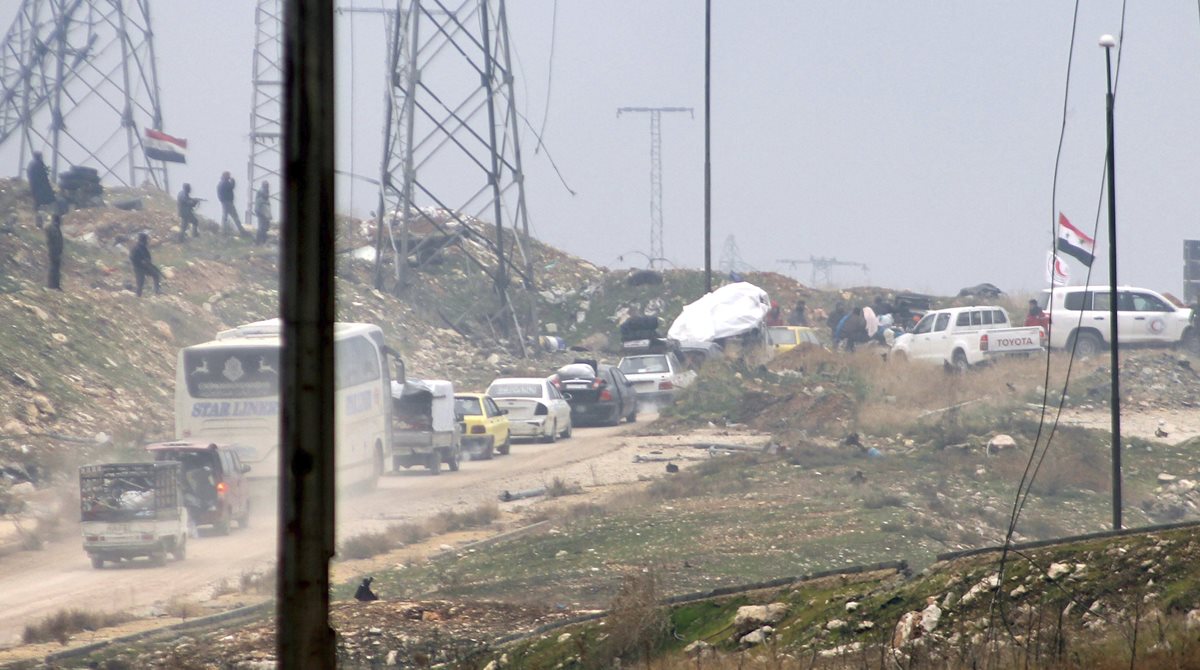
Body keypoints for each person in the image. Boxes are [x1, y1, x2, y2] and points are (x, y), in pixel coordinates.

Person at [130, 232, 163, 296]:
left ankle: (157, 291)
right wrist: (141, 262)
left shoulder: (144, 248)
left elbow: (148, 257)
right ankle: (138, 296)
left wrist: (148, 263)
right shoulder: (136, 248)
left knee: (156, 274)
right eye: (146, 240)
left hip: (146, 267)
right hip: (138, 268)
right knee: (140, 284)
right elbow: (132, 258)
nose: (147, 242)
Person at [216, 171, 247, 237]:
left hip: (224, 202)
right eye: (228, 175)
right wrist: (233, 181)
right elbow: (231, 187)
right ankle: (241, 231)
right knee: (234, 216)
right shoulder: (225, 183)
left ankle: (223, 230)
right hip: (228, 202)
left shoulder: (220, 183)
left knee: (225, 217)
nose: (229, 176)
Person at [26, 152, 55, 219]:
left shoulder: (31, 164)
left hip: (33, 185)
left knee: (37, 199)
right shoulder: (38, 164)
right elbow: (43, 176)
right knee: (44, 199)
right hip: (40, 185)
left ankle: (36, 213)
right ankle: (42, 214)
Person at [46, 213, 63, 290]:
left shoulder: (55, 228)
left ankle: (55, 285)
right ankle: (52, 285)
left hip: (56, 251)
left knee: (56, 269)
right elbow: (54, 240)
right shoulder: (53, 228)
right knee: (54, 269)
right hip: (54, 251)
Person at [253, 181, 272, 245]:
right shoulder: (261, 194)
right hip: (261, 213)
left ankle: (263, 241)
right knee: (261, 227)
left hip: (264, 214)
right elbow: (259, 206)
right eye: (266, 186)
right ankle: (258, 242)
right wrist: (260, 213)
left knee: (265, 227)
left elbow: (267, 206)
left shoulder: (265, 193)